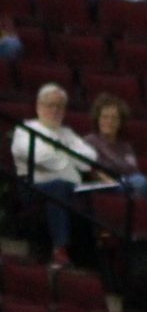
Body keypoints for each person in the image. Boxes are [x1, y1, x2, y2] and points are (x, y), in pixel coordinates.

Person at [10, 80, 98, 263]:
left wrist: (59, 153)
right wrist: (69, 157)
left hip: (72, 187)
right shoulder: (26, 130)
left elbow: (90, 159)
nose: (55, 110)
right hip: (34, 187)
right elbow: (41, 158)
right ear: (38, 106)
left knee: (98, 191)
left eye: (60, 106)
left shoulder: (67, 132)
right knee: (59, 187)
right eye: (50, 105)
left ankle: (95, 255)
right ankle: (60, 248)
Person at [85, 93, 147, 198]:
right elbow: (90, 169)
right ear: (98, 119)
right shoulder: (90, 141)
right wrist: (109, 181)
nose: (109, 121)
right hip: (103, 186)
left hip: (126, 184)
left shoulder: (125, 147)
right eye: (105, 117)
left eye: (114, 118)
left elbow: (133, 171)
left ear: (120, 122)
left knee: (140, 181)